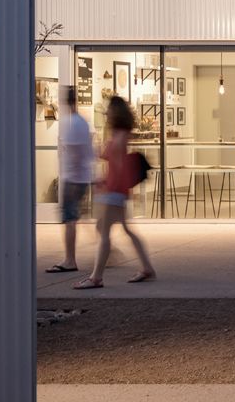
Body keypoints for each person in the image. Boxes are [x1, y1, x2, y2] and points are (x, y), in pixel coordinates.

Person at [74, 96, 156, 289]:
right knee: (123, 230)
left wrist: (107, 186)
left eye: (109, 109)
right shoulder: (120, 133)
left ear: (115, 112)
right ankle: (147, 267)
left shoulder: (119, 137)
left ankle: (96, 277)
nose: (106, 112)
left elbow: (119, 169)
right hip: (117, 191)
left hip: (114, 193)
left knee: (104, 233)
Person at [45, 86, 91, 274]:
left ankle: (70, 260)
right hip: (80, 178)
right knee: (76, 217)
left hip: (73, 179)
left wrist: (71, 180)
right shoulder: (82, 122)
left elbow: (75, 154)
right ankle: (107, 250)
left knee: (70, 219)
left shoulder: (74, 125)